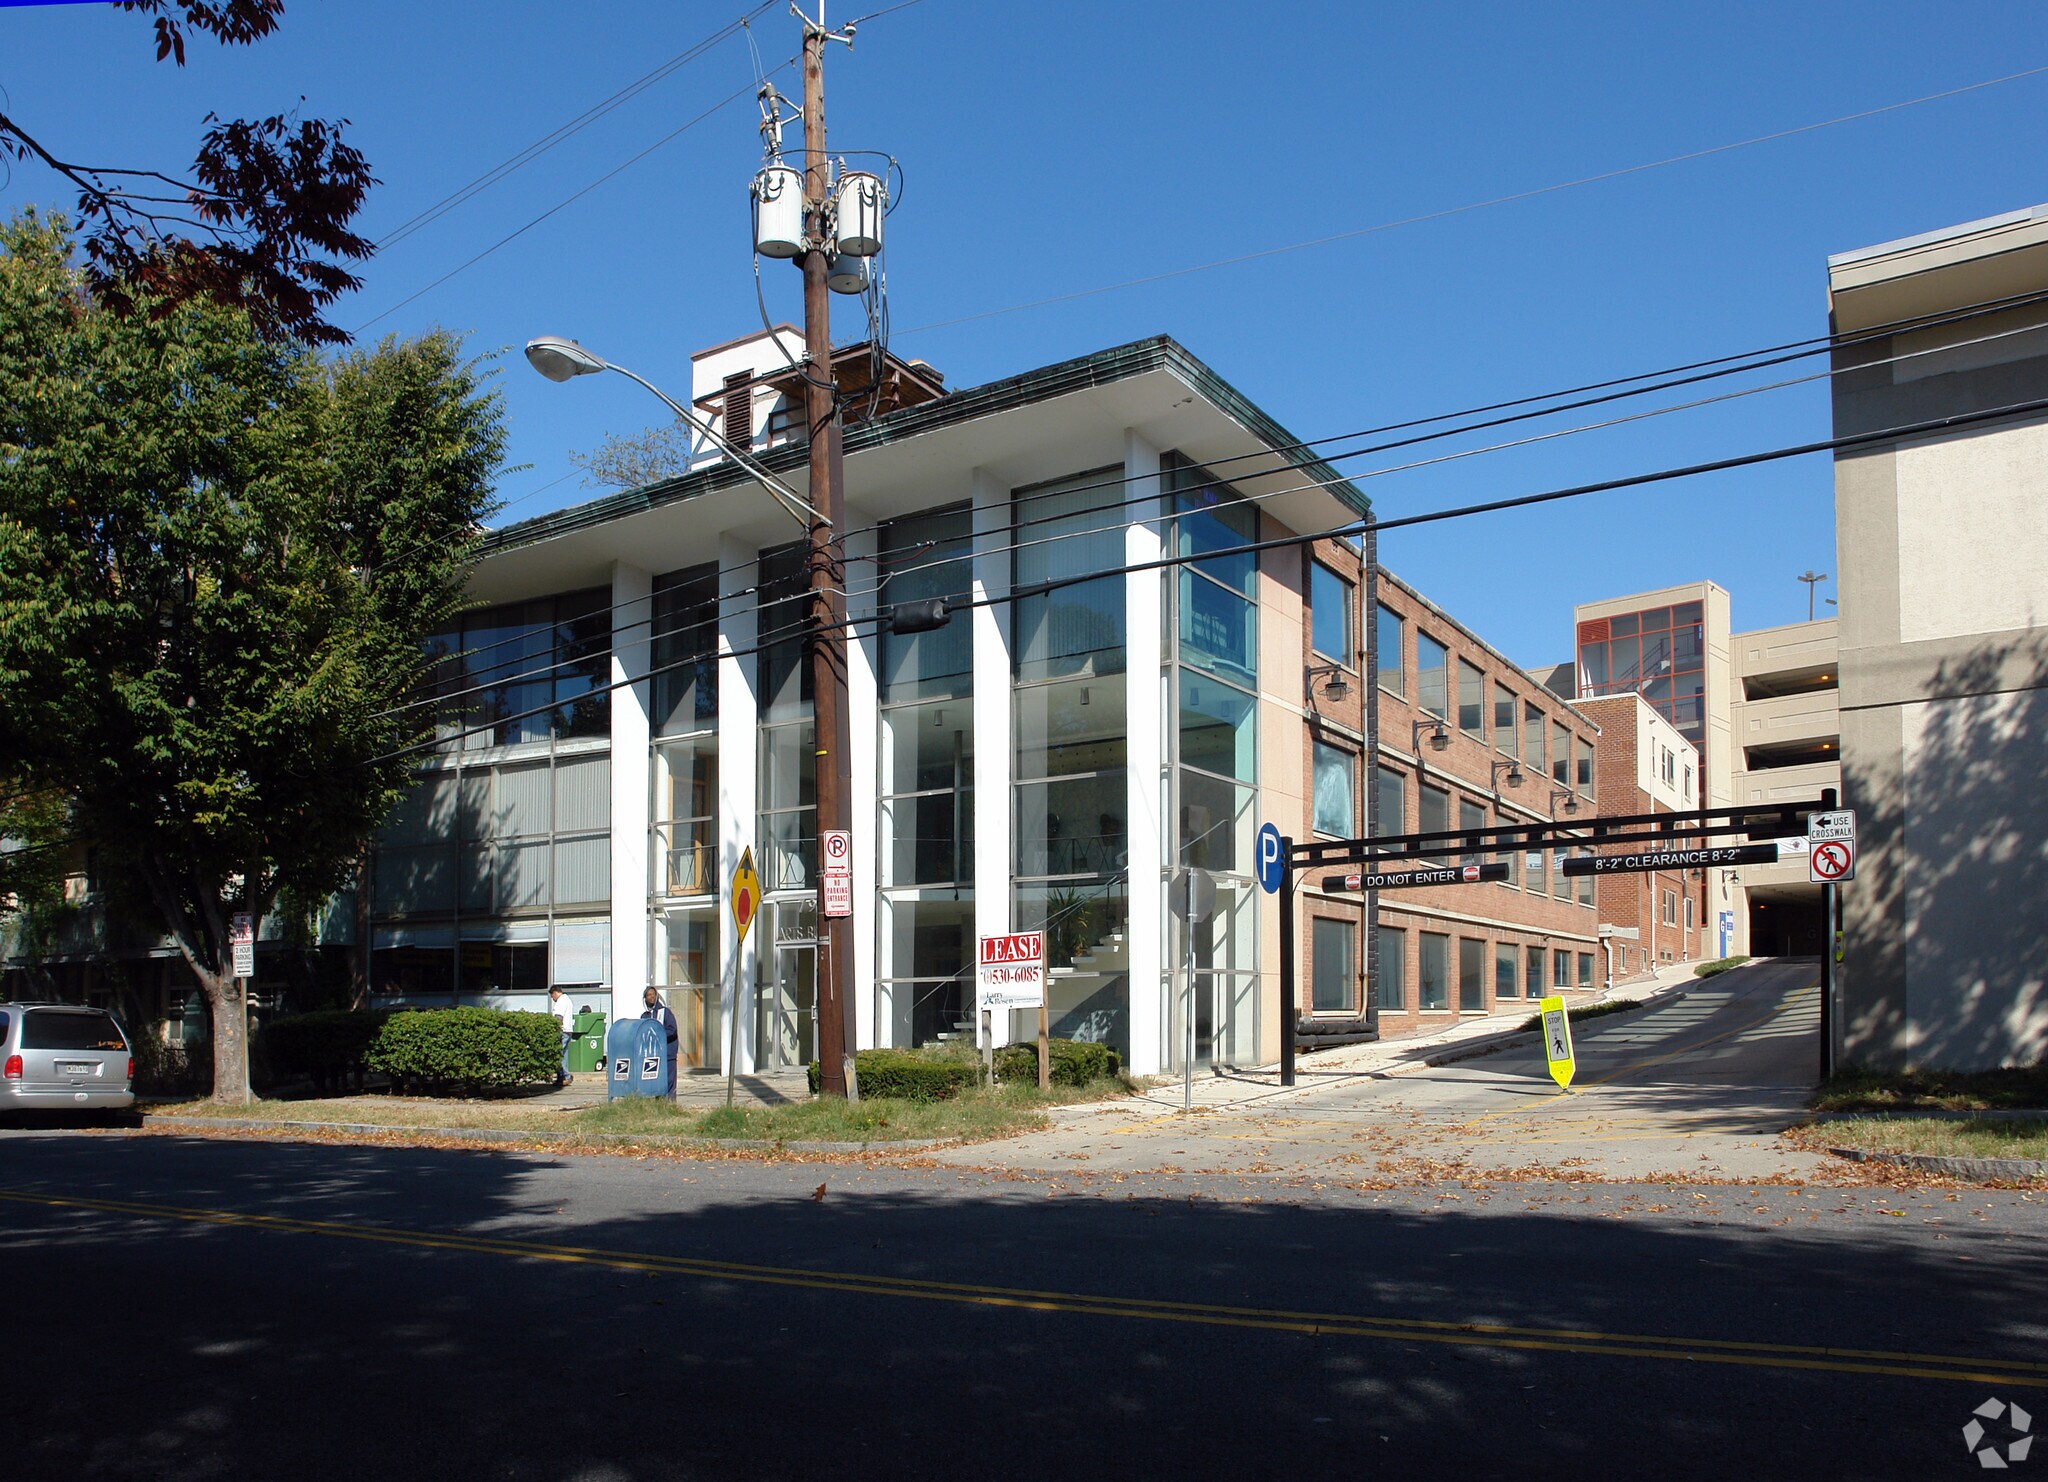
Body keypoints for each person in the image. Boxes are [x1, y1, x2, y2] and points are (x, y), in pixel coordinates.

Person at [642, 985, 680, 1097]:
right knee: (656, 1081)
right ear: (645, 998)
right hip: (653, 1056)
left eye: (653, 994)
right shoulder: (644, 1016)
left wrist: (658, 1035)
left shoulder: (665, 1012)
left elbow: (672, 1030)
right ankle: (659, 1105)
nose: (651, 997)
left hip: (668, 1054)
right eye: (649, 995)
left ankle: (671, 1104)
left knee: (669, 1080)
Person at [548, 985, 576, 1087]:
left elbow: (558, 1017)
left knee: (558, 1055)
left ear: (555, 993)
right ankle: (564, 1077)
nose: (553, 999)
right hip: (568, 1030)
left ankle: (565, 1076)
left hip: (562, 1031)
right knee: (563, 1055)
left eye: (552, 996)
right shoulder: (567, 1000)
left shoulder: (561, 1001)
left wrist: (553, 1030)